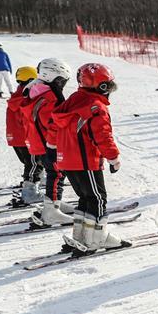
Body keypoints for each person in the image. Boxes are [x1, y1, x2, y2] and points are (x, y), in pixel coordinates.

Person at [52, 63, 129, 252]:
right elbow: (102, 135)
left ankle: (81, 235)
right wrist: (113, 158)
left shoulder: (74, 99)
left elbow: (55, 126)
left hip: (68, 160)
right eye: (108, 86)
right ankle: (98, 238)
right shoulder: (96, 107)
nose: (110, 91)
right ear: (100, 86)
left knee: (85, 198)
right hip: (86, 161)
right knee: (98, 198)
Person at [23, 58, 74, 227]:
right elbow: (52, 123)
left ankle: (55, 203)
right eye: (62, 81)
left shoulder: (37, 90)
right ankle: (51, 211)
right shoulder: (49, 98)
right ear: (53, 78)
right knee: (56, 173)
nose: (63, 85)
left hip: (39, 143)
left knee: (58, 173)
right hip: (48, 144)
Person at [6, 66, 43, 204]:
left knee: (29, 163)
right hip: (26, 137)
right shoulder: (27, 96)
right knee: (35, 163)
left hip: (15, 138)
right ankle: (30, 192)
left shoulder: (16, 95)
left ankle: (34, 181)